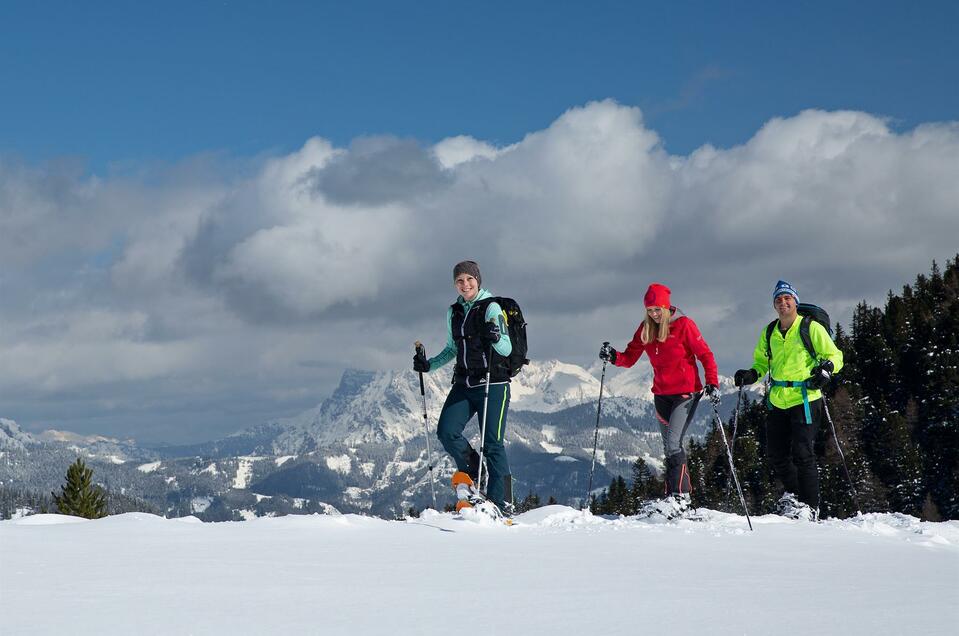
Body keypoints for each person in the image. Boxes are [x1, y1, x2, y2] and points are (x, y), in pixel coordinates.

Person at [599, 283, 719, 515]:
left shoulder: (684, 325)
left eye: (658, 309)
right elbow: (629, 357)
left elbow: (705, 354)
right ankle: (672, 495)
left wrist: (712, 382)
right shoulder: (645, 330)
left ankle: (681, 496)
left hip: (686, 393)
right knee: (668, 447)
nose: (654, 314)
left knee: (674, 443)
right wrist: (613, 356)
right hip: (661, 395)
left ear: (667, 308)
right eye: (650, 310)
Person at [733, 280, 843, 521]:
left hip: (805, 398)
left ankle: (810, 507)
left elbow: (835, 355)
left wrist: (825, 370)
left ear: (795, 301)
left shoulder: (810, 327)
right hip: (778, 400)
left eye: (787, 298)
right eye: (778, 300)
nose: (783, 303)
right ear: (774, 305)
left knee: (803, 453)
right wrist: (751, 374)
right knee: (776, 453)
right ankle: (796, 498)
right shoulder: (770, 331)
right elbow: (762, 362)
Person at [413, 260, 514, 513]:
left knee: (493, 443)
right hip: (464, 382)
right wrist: (429, 365)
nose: (465, 284)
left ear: (478, 280)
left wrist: (496, 337)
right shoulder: (454, 312)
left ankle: (502, 502)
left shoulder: (492, 308)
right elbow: (452, 349)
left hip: (494, 383)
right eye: (460, 280)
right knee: (447, 431)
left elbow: (506, 348)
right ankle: (472, 470)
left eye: (469, 279)